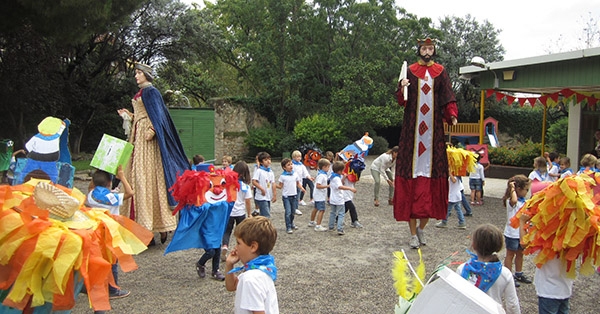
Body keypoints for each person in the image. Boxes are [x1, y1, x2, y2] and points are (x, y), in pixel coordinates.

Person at [393, 37, 458, 249]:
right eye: (424, 47)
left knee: (431, 191)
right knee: (411, 191)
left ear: (434, 50)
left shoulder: (441, 71)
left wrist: (452, 114)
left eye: (430, 48)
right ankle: (412, 234)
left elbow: (448, 95)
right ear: (419, 50)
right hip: (412, 133)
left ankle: (421, 229)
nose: (427, 51)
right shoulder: (410, 70)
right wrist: (401, 87)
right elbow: (401, 99)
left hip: (434, 135)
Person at [118, 63, 189, 245]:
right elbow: (143, 113)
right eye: (136, 73)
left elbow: (158, 116)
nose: (136, 76)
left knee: (146, 178)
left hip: (147, 139)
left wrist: (152, 129)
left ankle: (154, 226)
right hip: (137, 135)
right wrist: (130, 115)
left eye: (139, 73)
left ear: (147, 75)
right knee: (136, 177)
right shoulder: (140, 93)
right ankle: (142, 226)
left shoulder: (151, 91)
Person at [86, 166, 134, 300]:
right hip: (111, 231)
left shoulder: (91, 195)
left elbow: (91, 187)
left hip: (96, 231)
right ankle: (113, 289)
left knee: (99, 257)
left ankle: (98, 284)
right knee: (112, 259)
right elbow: (130, 193)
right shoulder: (112, 197)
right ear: (109, 183)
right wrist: (122, 177)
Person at [456, 224, 520, 314]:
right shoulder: (504, 273)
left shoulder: (462, 269)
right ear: (499, 246)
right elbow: (512, 304)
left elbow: (456, 297)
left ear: (474, 245)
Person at [517, 214, 574, 314]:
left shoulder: (545, 235)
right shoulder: (572, 237)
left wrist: (522, 222)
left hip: (548, 290)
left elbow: (524, 243)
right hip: (565, 288)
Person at [225, 216, 279, 314]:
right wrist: (229, 264)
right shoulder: (263, 269)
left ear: (253, 247)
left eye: (238, 243)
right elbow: (231, 286)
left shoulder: (250, 279)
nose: (236, 248)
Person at [502, 174, 533, 288]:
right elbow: (514, 200)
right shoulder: (511, 201)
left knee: (520, 253)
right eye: (526, 190)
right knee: (510, 254)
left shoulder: (524, 201)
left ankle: (519, 273)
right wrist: (512, 188)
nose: (527, 192)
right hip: (511, 233)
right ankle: (508, 276)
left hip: (521, 233)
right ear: (518, 189)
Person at [221, 161, 253, 262]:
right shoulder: (245, 186)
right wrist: (249, 213)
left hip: (229, 212)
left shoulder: (228, 185)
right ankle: (240, 250)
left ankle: (225, 245)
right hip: (240, 213)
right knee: (241, 233)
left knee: (227, 231)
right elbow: (247, 201)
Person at [277, 158, 305, 234]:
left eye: (291, 164)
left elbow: (297, 183)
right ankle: (288, 226)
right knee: (288, 212)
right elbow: (280, 186)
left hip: (294, 196)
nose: (291, 166)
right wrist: (273, 185)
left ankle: (291, 223)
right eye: (288, 165)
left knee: (293, 211)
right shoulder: (282, 176)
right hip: (286, 196)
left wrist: (302, 188)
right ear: (284, 167)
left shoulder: (295, 174)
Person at [328, 161, 356, 235]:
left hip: (333, 198)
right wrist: (350, 188)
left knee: (332, 212)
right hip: (339, 199)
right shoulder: (336, 178)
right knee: (341, 213)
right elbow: (340, 186)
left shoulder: (332, 176)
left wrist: (343, 177)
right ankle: (339, 228)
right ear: (339, 171)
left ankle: (331, 226)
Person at [252, 151, 276, 218]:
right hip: (261, 196)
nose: (268, 161)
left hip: (268, 196)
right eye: (266, 160)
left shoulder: (270, 172)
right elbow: (254, 181)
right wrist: (261, 189)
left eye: (269, 159)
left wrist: (274, 194)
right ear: (261, 162)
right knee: (266, 215)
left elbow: (273, 183)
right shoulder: (259, 171)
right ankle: (265, 227)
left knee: (264, 214)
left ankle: (260, 227)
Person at [308, 158, 330, 232]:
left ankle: (312, 221)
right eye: (328, 167)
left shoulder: (321, 174)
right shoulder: (322, 176)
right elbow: (318, 186)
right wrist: (327, 186)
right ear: (323, 167)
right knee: (322, 210)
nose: (328, 168)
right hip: (320, 195)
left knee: (316, 208)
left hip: (318, 195)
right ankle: (318, 225)